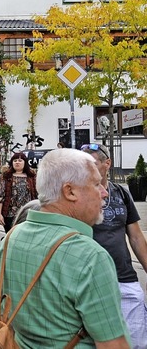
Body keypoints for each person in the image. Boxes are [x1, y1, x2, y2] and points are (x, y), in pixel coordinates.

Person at [0, 148, 131, 348]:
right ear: (69, 191)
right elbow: (114, 345)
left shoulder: (10, 240)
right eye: (96, 184)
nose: (104, 192)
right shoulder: (90, 256)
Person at [82, 143, 147, 347]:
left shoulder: (122, 193)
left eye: (92, 163)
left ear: (107, 163)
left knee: (136, 340)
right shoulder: (77, 195)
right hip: (90, 281)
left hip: (125, 277)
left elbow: (136, 237)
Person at [0, 152, 38, 233]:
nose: (17, 162)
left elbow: (38, 195)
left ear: (25, 162)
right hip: (9, 215)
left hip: (28, 214)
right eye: (15, 160)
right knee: (12, 236)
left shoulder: (32, 177)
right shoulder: (5, 177)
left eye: (20, 160)